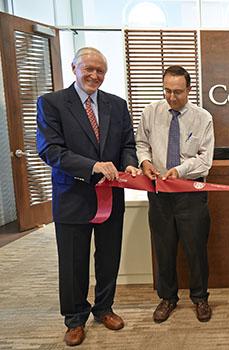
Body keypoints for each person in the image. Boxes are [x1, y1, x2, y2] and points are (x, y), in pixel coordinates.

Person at [36, 47, 139, 346]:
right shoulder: (52, 103)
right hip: (72, 196)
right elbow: (50, 150)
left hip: (110, 197)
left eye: (101, 71)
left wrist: (129, 162)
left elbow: (127, 144)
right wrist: (92, 166)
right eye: (89, 69)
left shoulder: (116, 105)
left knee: (108, 257)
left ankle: (104, 308)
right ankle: (75, 318)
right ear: (74, 68)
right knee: (73, 261)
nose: (95, 75)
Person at [136, 65, 214, 323]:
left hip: (191, 192)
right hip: (159, 193)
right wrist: (145, 163)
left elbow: (205, 160)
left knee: (196, 249)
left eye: (178, 92)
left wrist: (179, 171)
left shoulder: (202, 117)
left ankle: (200, 297)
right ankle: (167, 298)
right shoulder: (150, 112)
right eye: (167, 91)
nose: (171, 97)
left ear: (189, 89)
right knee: (164, 248)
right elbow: (141, 144)